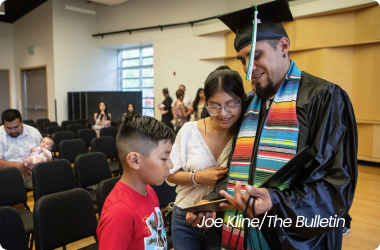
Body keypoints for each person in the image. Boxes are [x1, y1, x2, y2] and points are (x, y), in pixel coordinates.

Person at [186, 1, 358, 249]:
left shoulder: (324, 98)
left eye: (256, 56)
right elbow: (237, 176)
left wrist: (276, 202)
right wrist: (212, 203)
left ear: (284, 46)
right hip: (246, 236)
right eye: (243, 60)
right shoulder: (249, 105)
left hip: (299, 240)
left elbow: (336, 188)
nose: (248, 70)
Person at [166, 66, 246, 250]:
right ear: (205, 102)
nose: (223, 113)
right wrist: (198, 177)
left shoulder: (246, 136)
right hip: (186, 217)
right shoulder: (189, 130)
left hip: (225, 220)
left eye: (231, 104)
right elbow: (169, 175)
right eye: (215, 106)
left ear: (242, 100)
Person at [97, 113, 175, 250]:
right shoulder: (119, 212)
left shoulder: (149, 191)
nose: (171, 165)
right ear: (135, 160)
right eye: (164, 158)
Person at [0, 109, 42, 188]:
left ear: (22, 122)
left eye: (16, 127)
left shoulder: (33, 132)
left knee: (52, 185)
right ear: (4, 124)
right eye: (8, 128)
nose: (13, 131)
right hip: (9, 175)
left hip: (33, 173)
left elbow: (43, 152)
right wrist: (19, 167)